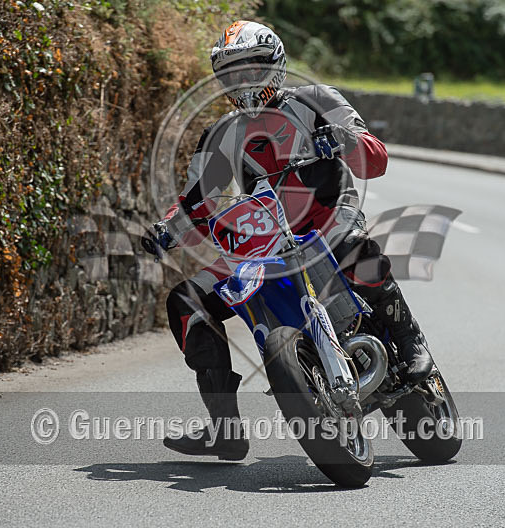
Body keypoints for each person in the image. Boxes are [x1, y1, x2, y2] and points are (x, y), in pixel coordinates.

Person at [141, 21, 433, 461]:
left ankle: (411, 342)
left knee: (355, 247)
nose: (242, 82)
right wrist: (168, 228)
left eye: (250, 68)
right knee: (186, 299)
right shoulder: (220, 135)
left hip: (328, 220)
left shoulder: (316, 100)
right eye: (231, 74)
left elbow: (376, 159)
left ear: (275, 63)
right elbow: (196, 199)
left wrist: (343, 139)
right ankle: (224, 426)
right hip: (264, 241)